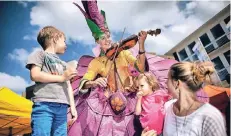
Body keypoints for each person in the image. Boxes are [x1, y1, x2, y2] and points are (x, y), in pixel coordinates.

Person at [68, 1, 147, 135]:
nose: (108, 40)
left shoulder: (123, 52)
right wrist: (94, 82)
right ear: (97, 42)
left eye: (108, 36)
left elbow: (140, 67)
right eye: (103, 38)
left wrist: (141, 45)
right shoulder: (97, 62)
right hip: (110, 104)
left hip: (131, 99)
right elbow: (84, 82)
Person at [26, 26, 77, 136]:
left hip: (62, 107)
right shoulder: (39, 54)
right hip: (44, 105)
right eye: (64, 41)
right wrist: (62, 78)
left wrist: (73, 107)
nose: (66, 44)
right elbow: (35, 75)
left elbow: (68, 85)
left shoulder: (64, 64)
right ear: (55, 38)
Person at [163, 61, 227, 136]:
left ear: (177, 84)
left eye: (168, 79)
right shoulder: (167, 106)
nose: (165, 82)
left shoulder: (209, 116)